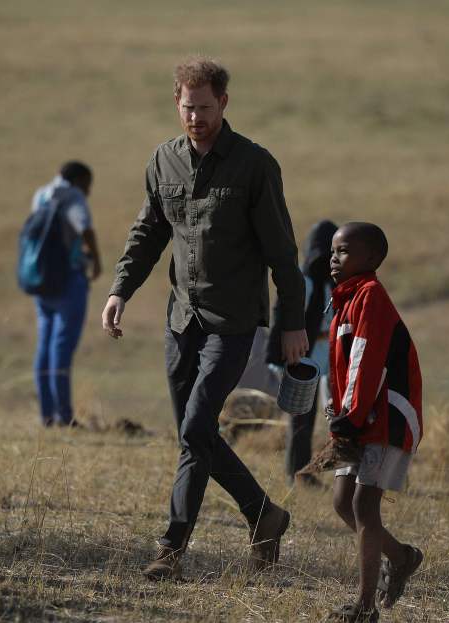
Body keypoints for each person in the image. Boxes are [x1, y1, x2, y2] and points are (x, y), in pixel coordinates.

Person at [101, 57, 309, 580]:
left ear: (224, 104)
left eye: (206, 108)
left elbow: (283, 253)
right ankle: (265, 515)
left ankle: (171, 550)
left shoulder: (254, 165)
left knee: (195, 427)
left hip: (234, 320)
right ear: (176, 103)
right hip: (181, 320)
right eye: (188, 108)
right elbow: (147, 233)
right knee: (194, 435)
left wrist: (292, 323)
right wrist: (120, 290)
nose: (196, 118)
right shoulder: (162, 161)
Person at [304, 222, 423, 622]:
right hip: (359, 416)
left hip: (386, 416)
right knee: (342, 502)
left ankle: (365, 606)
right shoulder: (344, 298)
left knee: (363, 504)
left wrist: (349, 419)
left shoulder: (370, 296)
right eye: (333, 251)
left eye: (344, 252)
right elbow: (343, 369)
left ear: (372, 259)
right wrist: (340, 415)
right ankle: (401, 556)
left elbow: (365, 360)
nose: (333, 259)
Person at [28, 162, 102, 427]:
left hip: (42, 279)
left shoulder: (41, 194)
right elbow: (85, 229)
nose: (89, 191)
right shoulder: (74, 197)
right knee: (62, 347)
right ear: (80, 180)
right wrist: (97, 259)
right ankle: (64, 415)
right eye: (88, 184)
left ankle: (47, 415)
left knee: (44, 346)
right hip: (69, 280)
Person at [268, 219, 338, 487]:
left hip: (328, 354)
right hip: (303, 356)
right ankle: (298, 473)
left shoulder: (332, 283)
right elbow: (282, 318)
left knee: (334, 416)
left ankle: (330, 470)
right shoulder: (304, 282)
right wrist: (277, 358)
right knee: (301, 419)